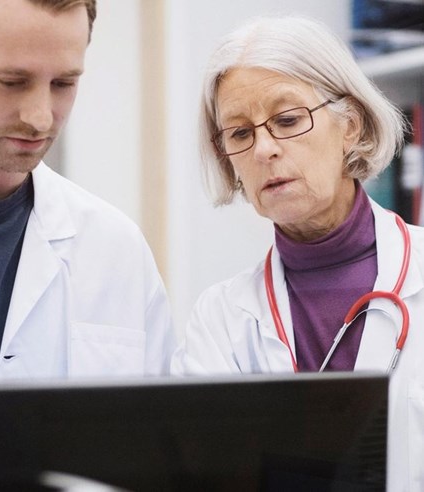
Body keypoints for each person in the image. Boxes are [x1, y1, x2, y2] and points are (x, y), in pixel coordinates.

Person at [171, 15, 424, 491]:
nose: (264, 148)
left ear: (350, 124)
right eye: (240, 133)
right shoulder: (221, 319)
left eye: (287, 120)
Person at [0, 0, 175, 381]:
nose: (40, 117)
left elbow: (157, 430)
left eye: (63, 83)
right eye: (12, 82)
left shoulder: (117, 250)